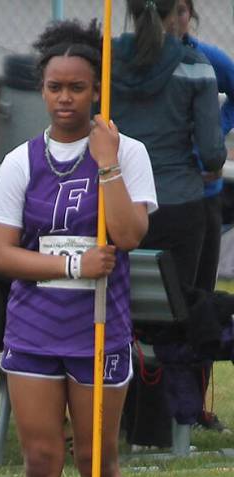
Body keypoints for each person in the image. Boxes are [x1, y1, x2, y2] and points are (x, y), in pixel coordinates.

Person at [0, 19, 157, 477]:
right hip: (34, 330)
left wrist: (107, 164)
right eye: (56, 87)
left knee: (97, 459)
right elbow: (2, 254)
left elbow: (130, 233)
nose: (65, 98)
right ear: (42, 89)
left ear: (95, 92)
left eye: (78, 88)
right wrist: (73, 266)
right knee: (40, 459)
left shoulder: (126, 152)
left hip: (99, 332)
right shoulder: (20, 161)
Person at [110, 0, 226, 447]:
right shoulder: (196, 67)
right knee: (176, 316)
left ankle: (118, 420)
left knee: (120, 313)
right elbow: (213, 153)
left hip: (115, 200)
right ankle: (163, 431)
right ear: (176, 14)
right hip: (179, 206)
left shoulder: (103, 59)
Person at [172, 0, 234, 430]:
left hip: (202, 197)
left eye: (179, 9)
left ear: (189, 14)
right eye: (161, 9)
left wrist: (215, 131)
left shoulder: (205, 59)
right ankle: (140, 408)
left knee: (199, 302)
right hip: (150, 202)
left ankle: (192, 408)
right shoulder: (130, 60)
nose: (171, 19)